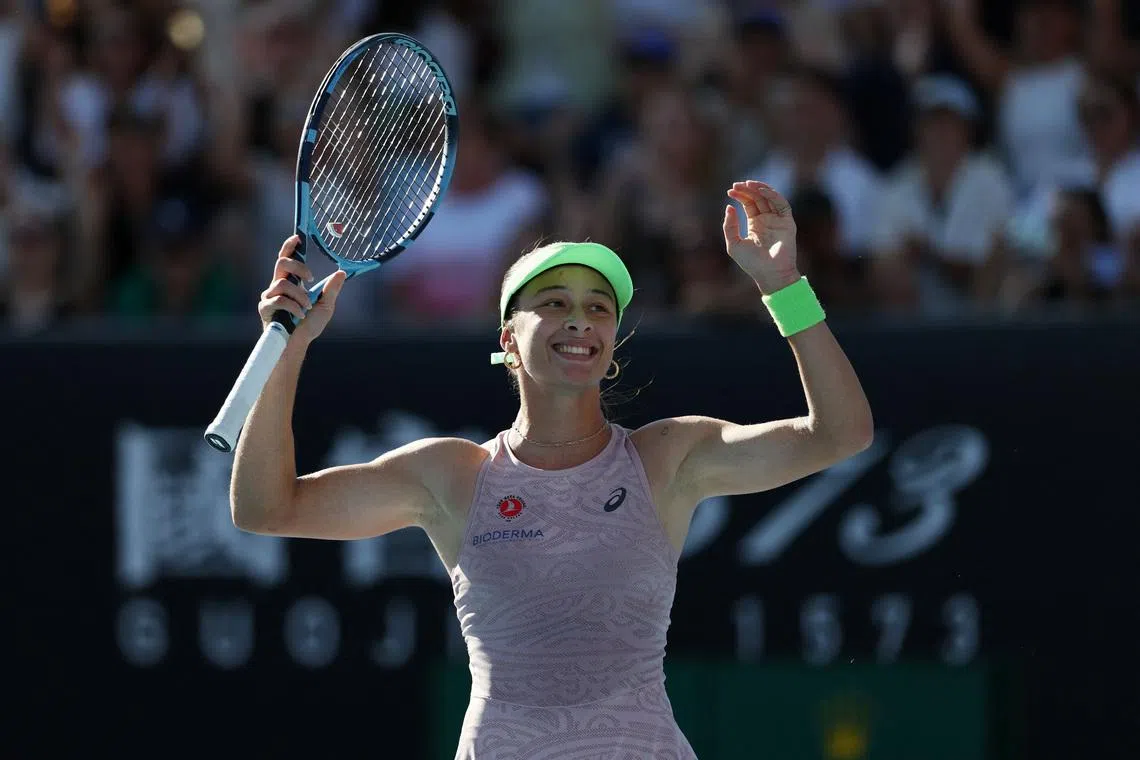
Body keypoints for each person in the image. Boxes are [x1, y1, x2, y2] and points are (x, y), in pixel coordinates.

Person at [230, 180, 874, 759]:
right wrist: (288, 348)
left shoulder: (668, 458)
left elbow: (842, 434)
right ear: (508, 338)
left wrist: (783, 286)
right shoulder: (450, 476)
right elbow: (265, 508)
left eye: (599, 308)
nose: (580, 320)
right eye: (555, 303)